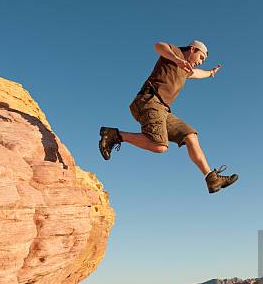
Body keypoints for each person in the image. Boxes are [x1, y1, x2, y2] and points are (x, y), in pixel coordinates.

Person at [99, 40, 238, 194]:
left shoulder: (187, 69)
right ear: (192, 49)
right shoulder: (175, 53)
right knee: (160, 146)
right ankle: (115, 135)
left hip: (163, 110)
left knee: (190, 135)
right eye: (201, 57)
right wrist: (176, 59)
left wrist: (211, 73)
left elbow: (197, 73)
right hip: (148, 100)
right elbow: (159, 46)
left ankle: (211, 179)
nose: (201, 61)